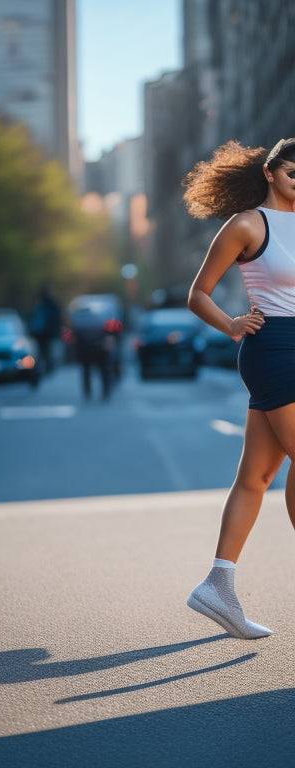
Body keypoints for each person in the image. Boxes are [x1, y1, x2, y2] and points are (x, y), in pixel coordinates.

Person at [183, 137, 295, 639]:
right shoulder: (249, 224)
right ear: (271, 172)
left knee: (257, 476)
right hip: (275, 351)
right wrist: (231, 324)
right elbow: (198, 293)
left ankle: (218, 585)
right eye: (293, 173)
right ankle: (218, 586)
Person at [28, 286, 62, 374]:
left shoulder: (41, 304)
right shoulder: (46, 304)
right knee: (44, 351)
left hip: (42, 332)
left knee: (43, 351)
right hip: (42, 332)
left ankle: (43, 367)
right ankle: (44, 367)